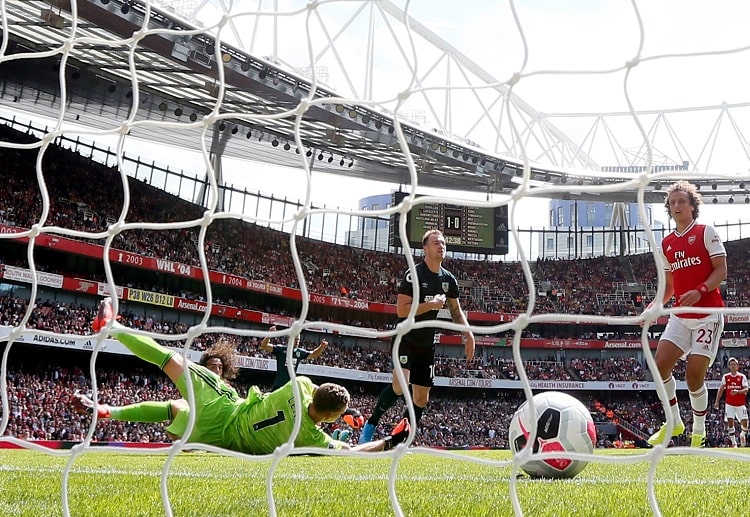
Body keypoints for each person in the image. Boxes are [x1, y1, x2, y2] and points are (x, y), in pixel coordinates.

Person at [74, 297, 410, 454]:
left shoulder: (300, 385)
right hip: (220, 442)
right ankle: (107, 411)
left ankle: (113, 329)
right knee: (176, 408)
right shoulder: (311, 439)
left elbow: (314, 389)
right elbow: (351, 454)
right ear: (332, 417)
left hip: (226, 413)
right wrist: (392, 441)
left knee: (170, 359)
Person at [360, 229, 475, 443]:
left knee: (421, 398)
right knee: (400, 385)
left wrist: (468, 334)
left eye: (443, 243)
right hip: (405, 338)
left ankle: (399, 438)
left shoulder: (448, 280)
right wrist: (430, 305)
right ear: (425, 248)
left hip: (426, 343)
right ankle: (370, 425)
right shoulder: (413, 274)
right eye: (436, 242)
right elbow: (401, 310)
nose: (441, 246)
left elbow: (456, 311)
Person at [646, 180, 727, 448]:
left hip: (708, 314)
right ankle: (674, 422)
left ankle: (699, 431)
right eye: (672, 203)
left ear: (693, 206)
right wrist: (655, 304)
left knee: (693, 377)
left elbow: (721, 271)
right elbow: (669, 285)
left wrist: (700, 289)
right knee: (659, 367)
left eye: (682, 201)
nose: (677, 206)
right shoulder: (666, 243)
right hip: (680, 316)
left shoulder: (706, 232)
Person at [260, 325, 327, 389]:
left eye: (298, 340)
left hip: (290, 387)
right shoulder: (280, 349)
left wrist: (321, 346)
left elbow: (314, 354)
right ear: (290, 339)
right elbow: (264, 346)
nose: (297, 342)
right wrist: (269, 334)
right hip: (278, 386)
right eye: (295, 339)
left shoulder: (299, 352)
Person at [713, 357, 748, 447]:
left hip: (740, 404)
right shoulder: (726, 377)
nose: (733, 366)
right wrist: (717, 401)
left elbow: (746, 389)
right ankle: (734, 443)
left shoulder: (741, 377)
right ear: (729, 366)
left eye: (734, 364)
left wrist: (738, 392)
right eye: (731, 364)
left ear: (737, 366)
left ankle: (742, 435)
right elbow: (721, 389)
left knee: (745, 425)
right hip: (729, 404)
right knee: (730, 422)